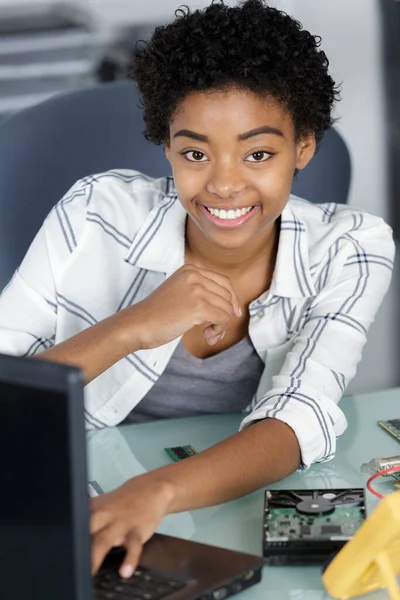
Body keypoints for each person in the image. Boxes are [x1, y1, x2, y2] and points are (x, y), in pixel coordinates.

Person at [0, 0, 394, 579]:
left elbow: (298, 416)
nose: (225, 184)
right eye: (195, 153)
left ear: (304, 147)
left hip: (220, 495)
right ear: (167, 148)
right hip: (86, 485)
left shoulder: (351, 247)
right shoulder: (95, 212)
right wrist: (134, 326)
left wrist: (154, 491)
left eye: (258, 153)